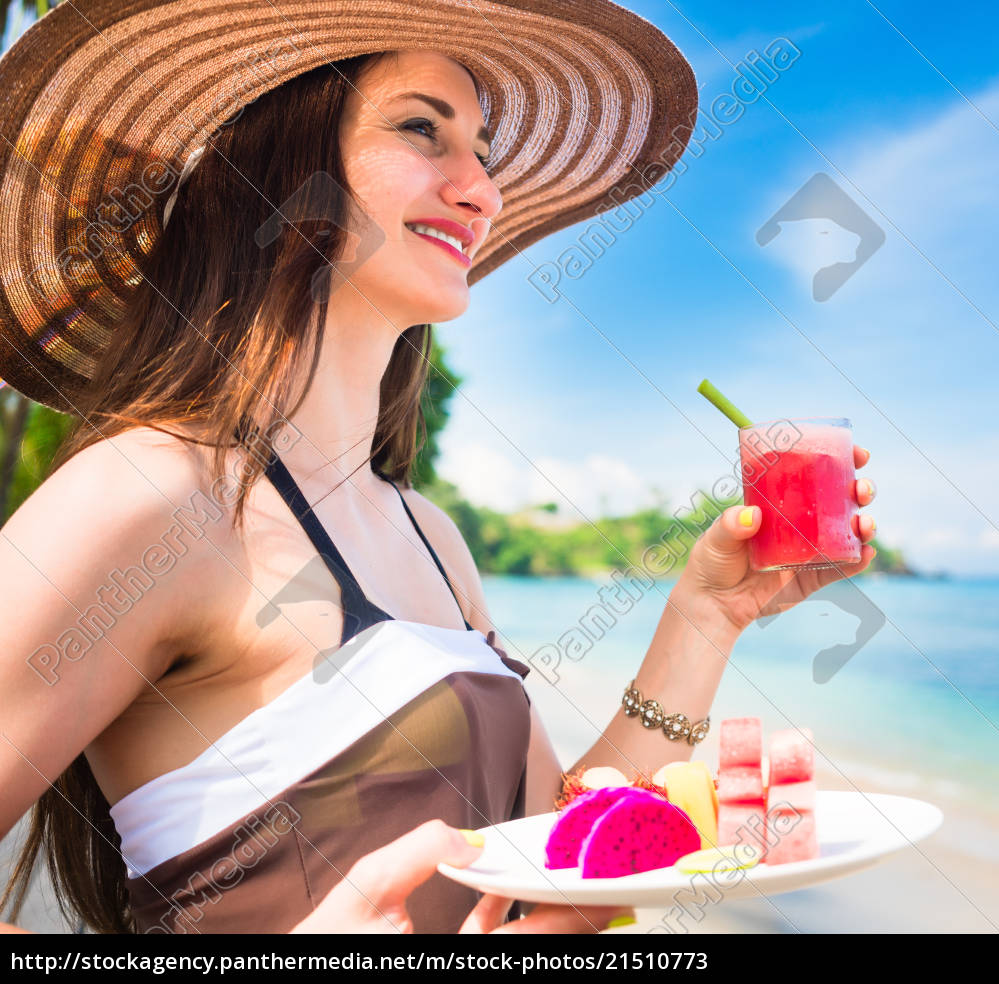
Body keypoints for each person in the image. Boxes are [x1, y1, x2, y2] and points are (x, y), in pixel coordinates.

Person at [0, 0, 877, 934]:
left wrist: (706, 617)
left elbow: (559, 855)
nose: (484, 192)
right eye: (424, 129)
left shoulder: (432, 536)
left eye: (486, 153)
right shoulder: (149, 498)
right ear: (273, 170)